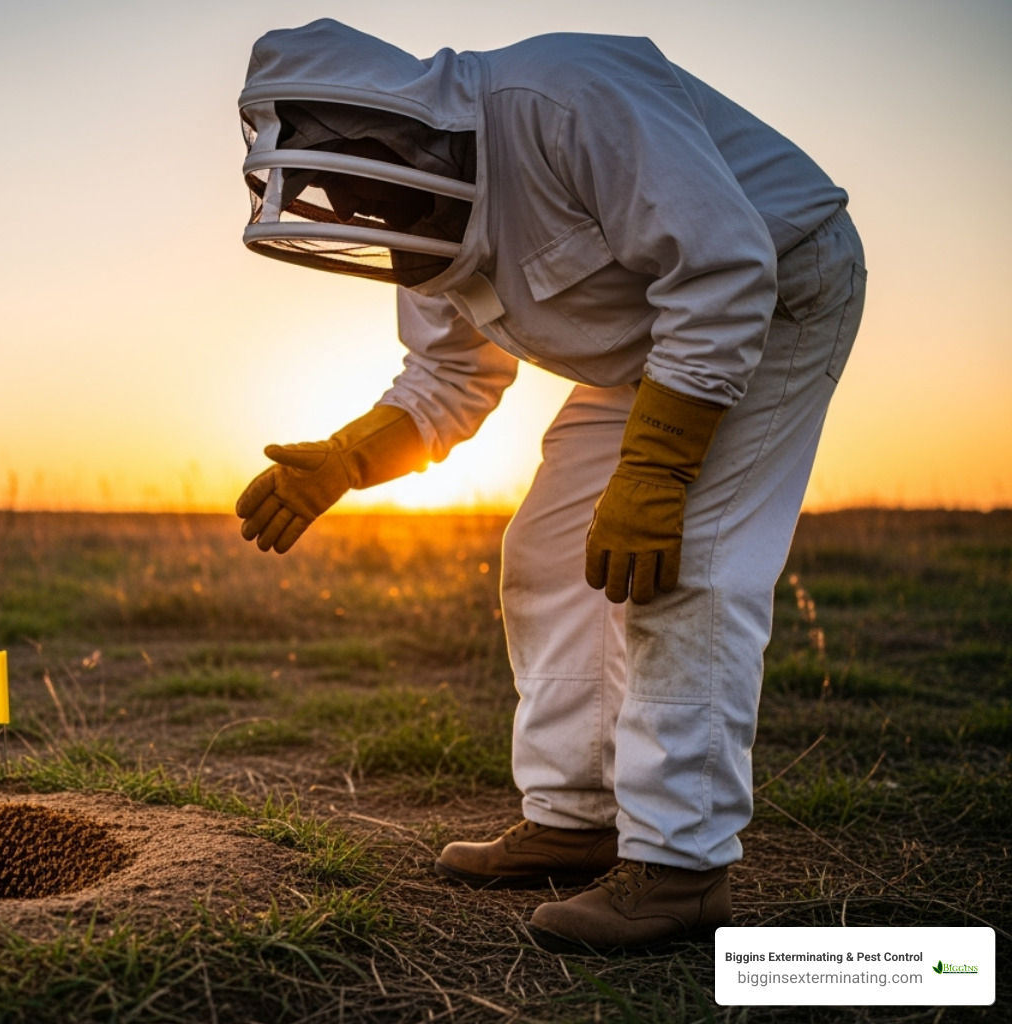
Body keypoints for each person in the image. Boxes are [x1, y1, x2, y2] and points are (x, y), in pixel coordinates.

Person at [232, 19, 866, 953]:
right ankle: (575, 817)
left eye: (350, 179)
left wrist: (657, 468)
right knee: (546, 552)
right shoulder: (416, 218)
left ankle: (680, 867)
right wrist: (349, 458)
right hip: (651, 346)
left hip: (776, 291)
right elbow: (451, 377)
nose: (350, 205)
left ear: (383, 127)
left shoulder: (566, 92)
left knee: (679, 563)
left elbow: (725, 269)